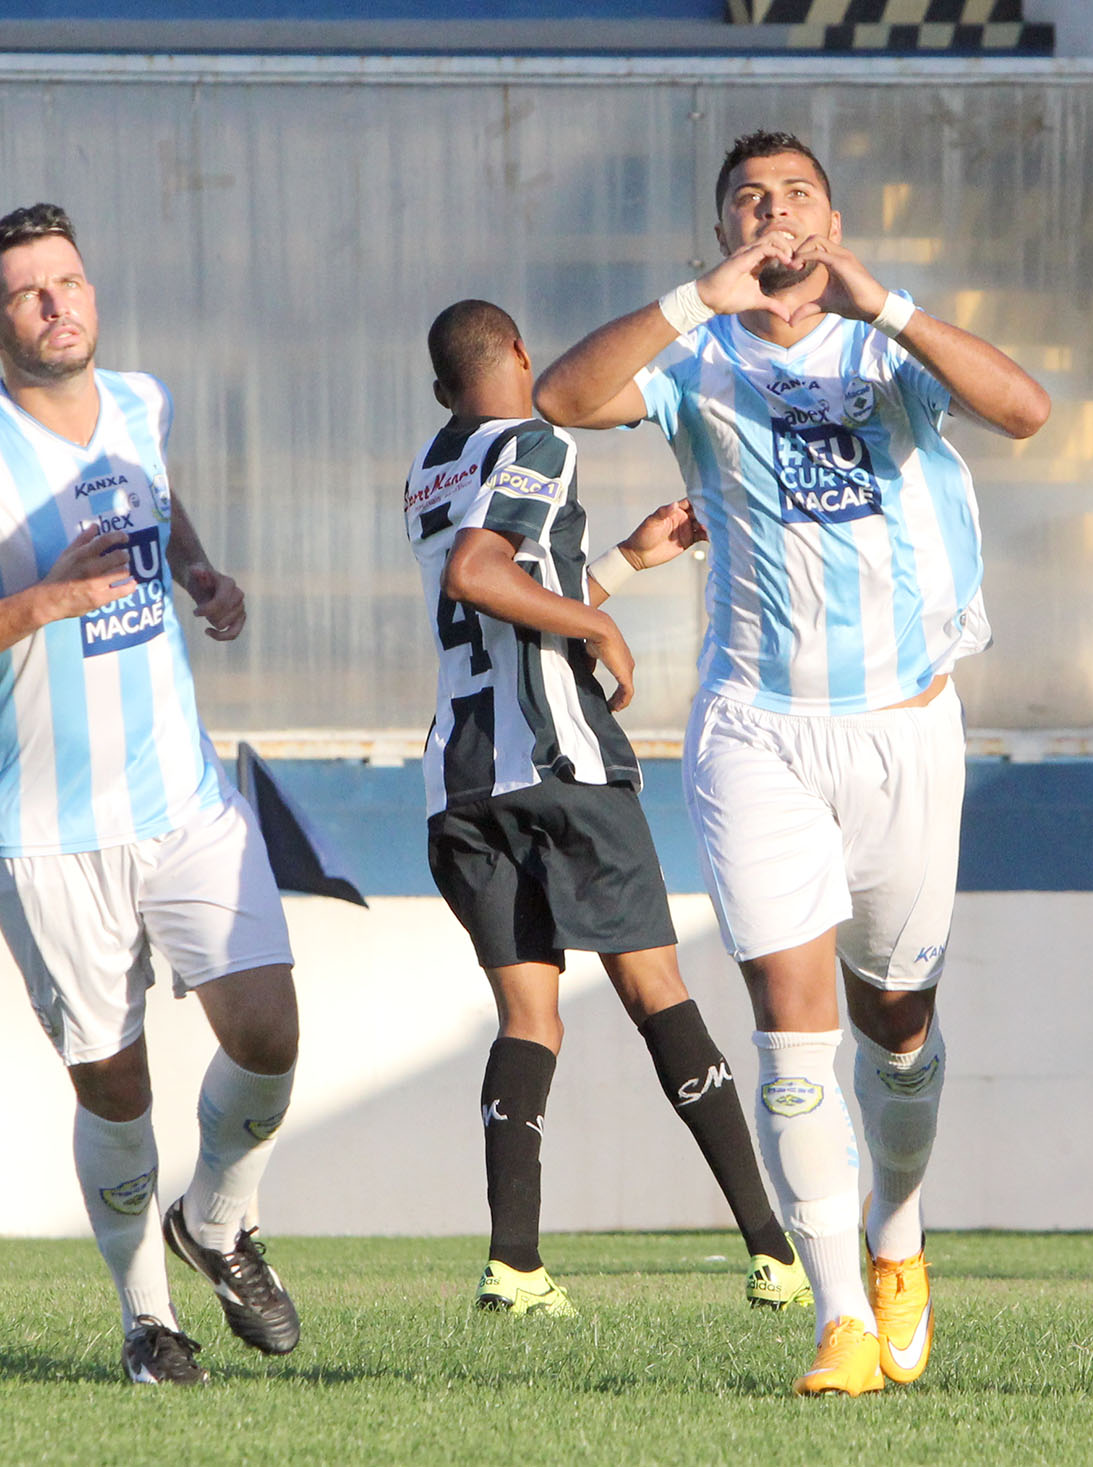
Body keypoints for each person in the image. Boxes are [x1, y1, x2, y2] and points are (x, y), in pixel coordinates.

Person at [534, 130, 1050, 1396]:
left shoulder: (886, 344)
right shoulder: (696, 357)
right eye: (748, 203)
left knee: (899, 1021)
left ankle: (895, 1232)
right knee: (789, 1025)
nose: (774, 216)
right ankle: (837, 1320)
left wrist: (885, 298)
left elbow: (1025, 410)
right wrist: (686, 305)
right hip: (756, 727)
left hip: (906, 729)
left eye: (796, 197)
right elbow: (559, 399)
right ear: (724, 234)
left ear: (833, 218)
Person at [0, 203, 302, 1386]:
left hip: (183, 795)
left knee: (267, 1035)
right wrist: (40, 602)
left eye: (68, 280)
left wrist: (198, 572)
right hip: (44, 829)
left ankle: (215, 1219)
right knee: (115, 1083)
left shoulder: (141, 403)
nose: (57, 303)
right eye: (28, 292)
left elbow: (151, 507)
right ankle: (147, 1324)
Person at [405, 298, 811, 1319]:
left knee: (529, 1017)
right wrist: (598, 623)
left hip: (461, 786)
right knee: (655, 992)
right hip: (563, 764)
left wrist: (623, 562)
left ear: (441, 387)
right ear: (522, 357)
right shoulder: (537, 438)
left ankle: (516, 1268)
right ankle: (774, 1252)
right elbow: (483, 573)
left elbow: (493, 582)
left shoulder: (428, 468)